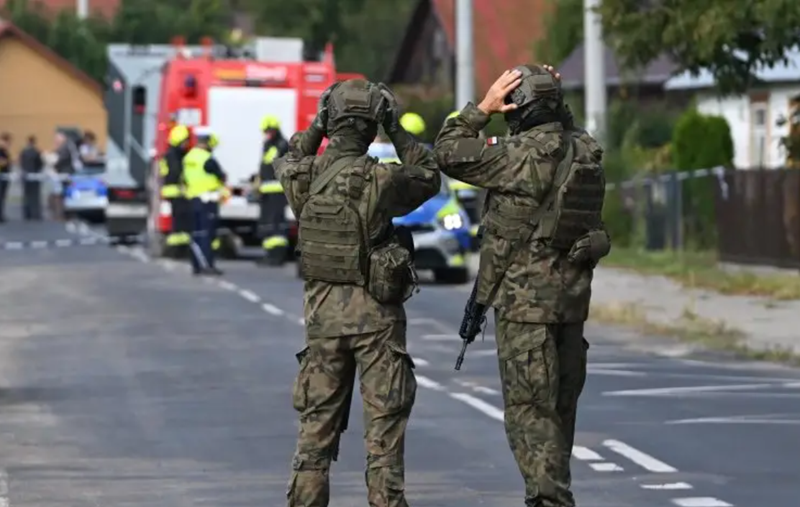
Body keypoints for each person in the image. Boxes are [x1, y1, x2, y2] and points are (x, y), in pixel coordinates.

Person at [433, 65, 610, 507]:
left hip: (524, 311)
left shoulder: (517, 156)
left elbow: (446, 152)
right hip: (570, 307)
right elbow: (565, 132)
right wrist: (552, 99)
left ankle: (550, 501)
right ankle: (550, 495)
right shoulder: (585, 151)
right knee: (558, 417)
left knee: (530, 416)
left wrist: (484, 107)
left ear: (518, 108)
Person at [275, 79, 440, 507]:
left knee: (315, 436)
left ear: (330, 123)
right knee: (384, 437)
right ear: (372, 129)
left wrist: (318, 122)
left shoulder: (303, 177)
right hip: (378, 323)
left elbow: (290, 155)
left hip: (323, 322)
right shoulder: (381, 179)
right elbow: (427, 173)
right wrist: (395, 127)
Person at [183, 127, 227, 276]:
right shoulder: (207, 159)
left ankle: (196, 265)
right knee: (208, 234)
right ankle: (208, 265)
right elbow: (221, 176)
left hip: (193, 199)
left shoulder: (188, 157)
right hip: (208, 201)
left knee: (196, 233)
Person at [256, 114, 291, 266]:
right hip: (266, 191)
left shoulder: (282, 145)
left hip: (277, 191)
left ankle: (277, 256)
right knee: (267, 224)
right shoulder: (268, 144)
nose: (267, 134)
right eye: (266, 131)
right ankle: (269, 254)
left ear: (275, 129)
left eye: (269, 130)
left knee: (277, 224)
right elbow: (264, 167)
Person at [160, 124, 192, 253]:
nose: (187, 144)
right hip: (176, 191)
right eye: (185, 141)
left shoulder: (170, 154)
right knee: (180, 221)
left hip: (172, 191)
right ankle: (177, 248)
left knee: (178, 220)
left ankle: (178, 246)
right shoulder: (175, 155)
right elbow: (176, 172)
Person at [19, 136, 44, 220]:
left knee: (26, 195)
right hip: (35, 175)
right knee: (35, 196)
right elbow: (40, 164)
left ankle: (27, 214)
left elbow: (21, 163)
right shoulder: (36, 152)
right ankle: (35, 214)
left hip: (25, 175)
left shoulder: (23, 152)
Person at [0, 133, 11, 223]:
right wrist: (6, 162)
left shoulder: (5, 151)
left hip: (5, 177)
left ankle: (1, 214)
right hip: (1, 176)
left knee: (2, 197)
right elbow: (2, 163)